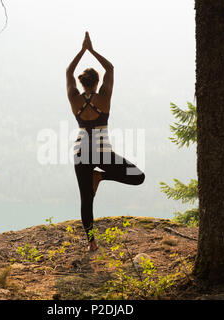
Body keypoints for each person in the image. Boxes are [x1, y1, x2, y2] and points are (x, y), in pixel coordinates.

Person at [66, 32, 145, 252]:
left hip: (81, 151)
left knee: (85, 198)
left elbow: (68, 72)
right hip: (102, 152)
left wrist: (81, 51)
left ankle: (91, 243)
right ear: (98, 82)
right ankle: (100, 175)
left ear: (81, 82)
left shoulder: (74, 98)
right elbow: (110, 68)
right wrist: (92, 50)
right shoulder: (104, 97)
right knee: (138, 176)